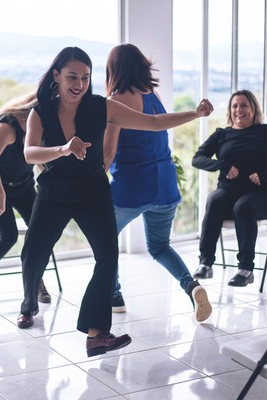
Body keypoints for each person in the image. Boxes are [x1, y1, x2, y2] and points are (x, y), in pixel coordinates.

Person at [16, 46, 213, 357]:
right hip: (54, 191)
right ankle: (28, 305)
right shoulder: (40, 112)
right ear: (56, 76)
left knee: (108, 256)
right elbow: (29, 153)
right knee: (33, 255)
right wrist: (63, 149)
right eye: (71, 77)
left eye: (84, 77)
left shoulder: (101, 107)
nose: (78, 84)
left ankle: (96, 333)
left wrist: (195, 114)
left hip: (93, 191)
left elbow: (154, 122)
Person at [103, 43, 212, 322]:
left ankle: (114, 295)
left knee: (104, 239)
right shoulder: (152, 93)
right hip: (165, 184)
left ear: (113, 69)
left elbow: (109, 151)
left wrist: (96, 177)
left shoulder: (116, 100)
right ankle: (192, 287)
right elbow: (159, 124)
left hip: (132, 186)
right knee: (160, 246)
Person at [0, 92, 52, 306]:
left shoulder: (45, 125)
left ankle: (33, 278)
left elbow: (39, 158)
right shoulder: (9, 124)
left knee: (42, 229)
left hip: (22, 183)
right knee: (9, 235)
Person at [192, 89, 267, 286]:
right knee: (215, 199)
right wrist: (222, 166)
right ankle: (205, 264)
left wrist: (263, 176)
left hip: (260, 194)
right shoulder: (222, 135)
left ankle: (245, 269)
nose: (239, 110)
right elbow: (198, 158)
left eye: (244, 105)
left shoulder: (264, 132)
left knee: (243, 206)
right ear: (230, 110)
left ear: (253, 109)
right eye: (235, 106)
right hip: (229, 191)